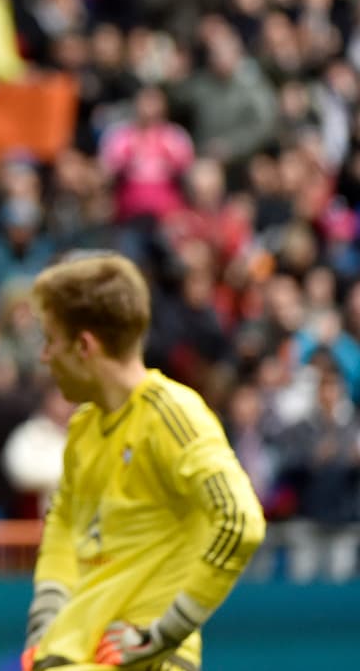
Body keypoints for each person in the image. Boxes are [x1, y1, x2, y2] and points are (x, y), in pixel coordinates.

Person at [22, 253, 265, 671]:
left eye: (50, 340)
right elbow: (62, 521)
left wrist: (164, 633)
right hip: (79, 653)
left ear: (84, 346)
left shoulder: (172, 415)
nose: (45, 356)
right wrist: (47, 624)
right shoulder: (84, 425)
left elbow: (240, 522)